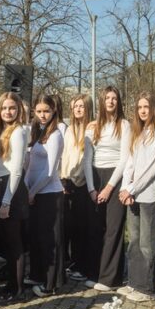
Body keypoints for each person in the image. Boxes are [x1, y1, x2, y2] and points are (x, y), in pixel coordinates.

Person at [119, 92, 155, 302]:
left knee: (148, 245)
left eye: (146, 107)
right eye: (139, 107)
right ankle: (134, 283)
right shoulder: (138, 132)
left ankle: (147, 289)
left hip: (149, 195)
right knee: (134, 242)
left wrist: (132, 189)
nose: (142, 111)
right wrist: (125, 188)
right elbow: (130, 162)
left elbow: (151, 169)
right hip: (133, 195)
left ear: (154, 108)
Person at [83, 86, 131, 291]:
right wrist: (92, 188)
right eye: (107, 98)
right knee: (95, 229)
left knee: (113, 229)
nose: (111, 101)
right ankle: (95, 272)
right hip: (95, 176)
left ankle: (110, 279)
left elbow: (124, 158)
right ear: (101, 101)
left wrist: (110, 187)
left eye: (114, 98)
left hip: (115, 178)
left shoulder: (125, 125)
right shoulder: (92, 126)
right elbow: (87, 159)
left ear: (118, 102)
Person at [0, 92, 29, 302]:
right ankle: (10, 285)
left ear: (18, 110)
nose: (8, 112)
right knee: (7, 244)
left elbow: (17, 169)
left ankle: (17, 290)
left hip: (12, 188)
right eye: (4, 108)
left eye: (12, 108)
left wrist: (6, 201)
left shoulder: (18, 132)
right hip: (0, 185)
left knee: (14, 244)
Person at [26, 95, 65, 298]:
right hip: (34, 194)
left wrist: (33, 192)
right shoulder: (36, 132)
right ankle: (38, 274)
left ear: (53, 112)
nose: (43, 115)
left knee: (50, 239)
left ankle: (51, 284)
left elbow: (50, 171)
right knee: (37, 238)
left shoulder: (56, 135)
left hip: (49, 193)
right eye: (39, 111)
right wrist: (27, 188)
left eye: (46, 111)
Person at [61, 94, 93, 282]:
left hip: (84, 182)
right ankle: (73, 261)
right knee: (70, 226)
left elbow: (86, 158)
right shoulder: (70, 129)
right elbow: (65, 155)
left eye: (82, 106)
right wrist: (63, 178)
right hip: (68, 181)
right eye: (75, 106)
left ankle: (83, 264)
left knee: (83, 226)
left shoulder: (92, 128)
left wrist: (80, 177)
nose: (78, 109)